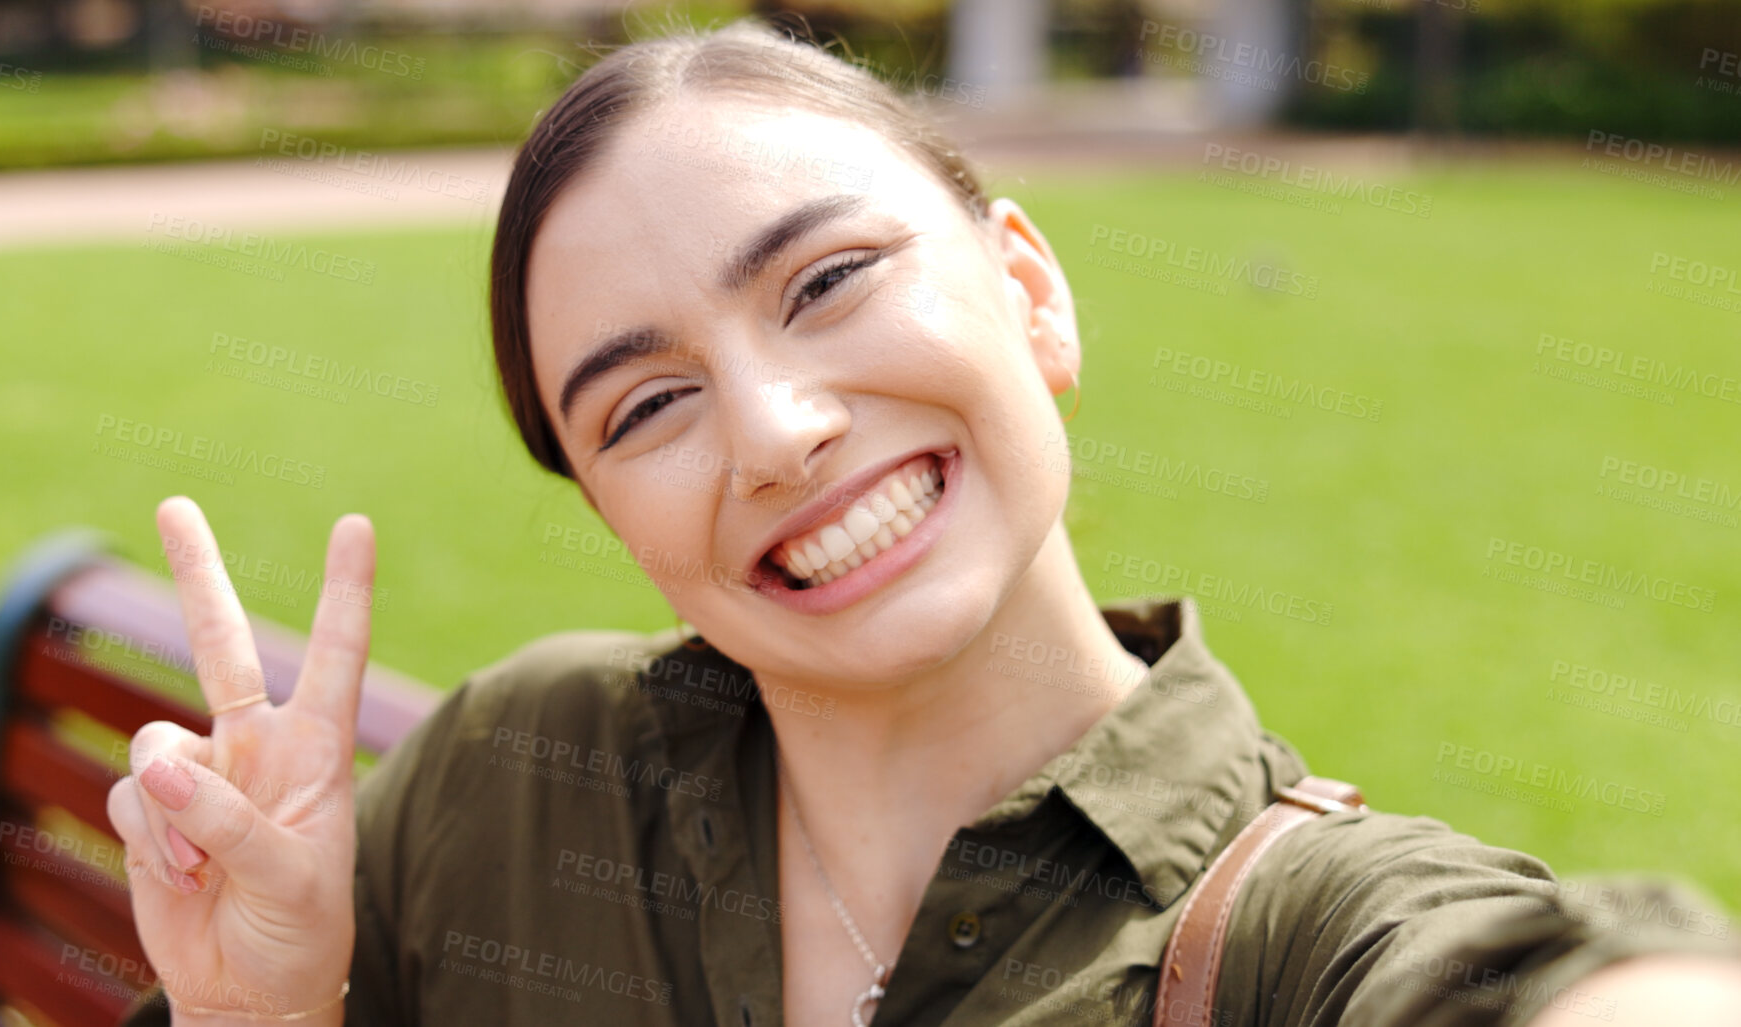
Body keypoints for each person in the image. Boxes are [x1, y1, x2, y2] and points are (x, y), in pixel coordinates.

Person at [113, 18, 1741, 1026]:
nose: (776, 431)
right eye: (645, 405)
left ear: (1028, 291)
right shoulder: (512, 784)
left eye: (827, 284)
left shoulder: (1292, 941)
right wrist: (260, 1014)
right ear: (612, 511)